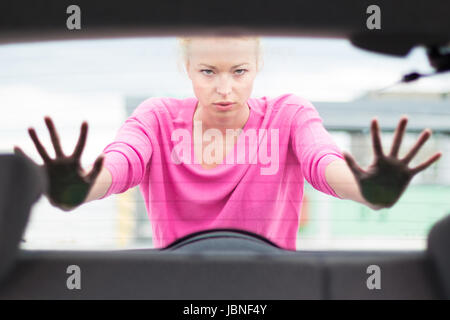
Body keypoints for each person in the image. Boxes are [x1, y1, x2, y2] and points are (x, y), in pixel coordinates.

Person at [14, 36, 442, 250]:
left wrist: (366, 189)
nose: (224, 89)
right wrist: (81, 189)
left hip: (269, 289)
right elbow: (121, 163)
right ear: (187, 68)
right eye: (208, 72)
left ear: (257, 66)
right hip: (181, 294)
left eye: (238, 71)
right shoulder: (156, 118)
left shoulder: (289, 115)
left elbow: (322, 161)